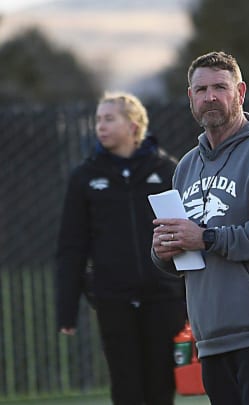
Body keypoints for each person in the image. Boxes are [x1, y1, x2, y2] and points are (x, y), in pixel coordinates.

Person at [150, 51, 249, 405]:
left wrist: (206, 237)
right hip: (212, 336)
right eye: (201, 89)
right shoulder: (187, 167)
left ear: (240, 92)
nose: (210, 97)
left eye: (220, 87)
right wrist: (163, 250)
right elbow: (183, 250)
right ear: (190, 97)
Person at [56, 91, 186, 405]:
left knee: (160, 386)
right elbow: (72, 245)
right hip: (113, 299)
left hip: (164, 297)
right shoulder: (84, 177)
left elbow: (185, 232)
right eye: (98, 119)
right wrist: (67, 309)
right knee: (126, 387)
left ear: (133, 125)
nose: (100, 126)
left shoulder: (169, 169)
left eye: (109, 118)